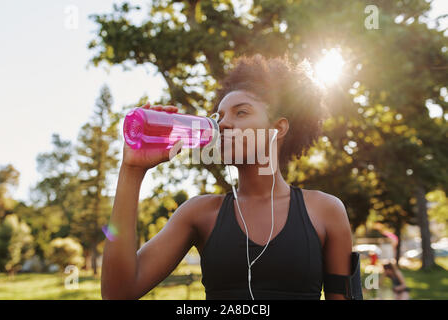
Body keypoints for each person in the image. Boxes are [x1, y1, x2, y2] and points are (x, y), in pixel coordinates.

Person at [101, 54, 356, 300]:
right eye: (219, 116)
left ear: (277, 129)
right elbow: (117, 293)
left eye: (241, 112)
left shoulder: (325, 211)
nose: (222, 124)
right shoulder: (199, 213)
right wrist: (132, 170)